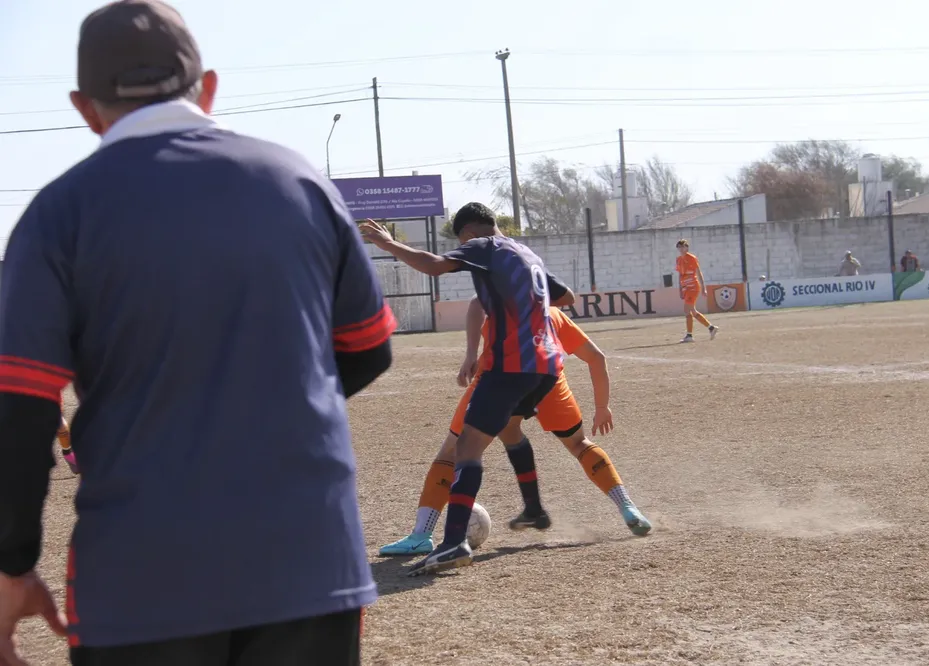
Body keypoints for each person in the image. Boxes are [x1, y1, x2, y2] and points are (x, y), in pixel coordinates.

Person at [0, 2, 394, 664]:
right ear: (206, 87)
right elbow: (367, 349)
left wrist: (12, 562)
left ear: (82, 107)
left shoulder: (59, 213)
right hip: (307, 562)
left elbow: (18, 408)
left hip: (140, 580)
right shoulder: (300, 182)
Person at [361, 203, 570, 576]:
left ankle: (453, 541)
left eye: (461, 242)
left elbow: (434, 265)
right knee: (509, 429)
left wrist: (389, 244)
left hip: (511, 363)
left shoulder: (484, 246)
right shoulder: (526, 253)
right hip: (547, 366)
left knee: (467, 447)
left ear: (469, 233)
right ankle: (534, 508)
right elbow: (564, 296)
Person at [379, 298, 651, 556]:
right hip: (549, 381)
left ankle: (421, 536)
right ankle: (628, 508)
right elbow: (597, 357)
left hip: (499, 382)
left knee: (452, 451)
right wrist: (602, 407)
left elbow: (476, 306)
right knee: (578, 444)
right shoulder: (553, 314)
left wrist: (471, 353)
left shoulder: (495, 305)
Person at [675, 240, 718, 343]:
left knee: (687, 310)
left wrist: (704, 288)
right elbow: (680, 275)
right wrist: (680, 288)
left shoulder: (692, 258)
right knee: (693, 311)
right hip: (686, 287)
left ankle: (689, 335)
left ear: (687, 248)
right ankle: (711, 328)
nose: (681, 249)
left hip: (693, 287)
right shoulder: (678, 260)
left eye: (683, 246)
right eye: (679, 247)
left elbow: (699, 273)